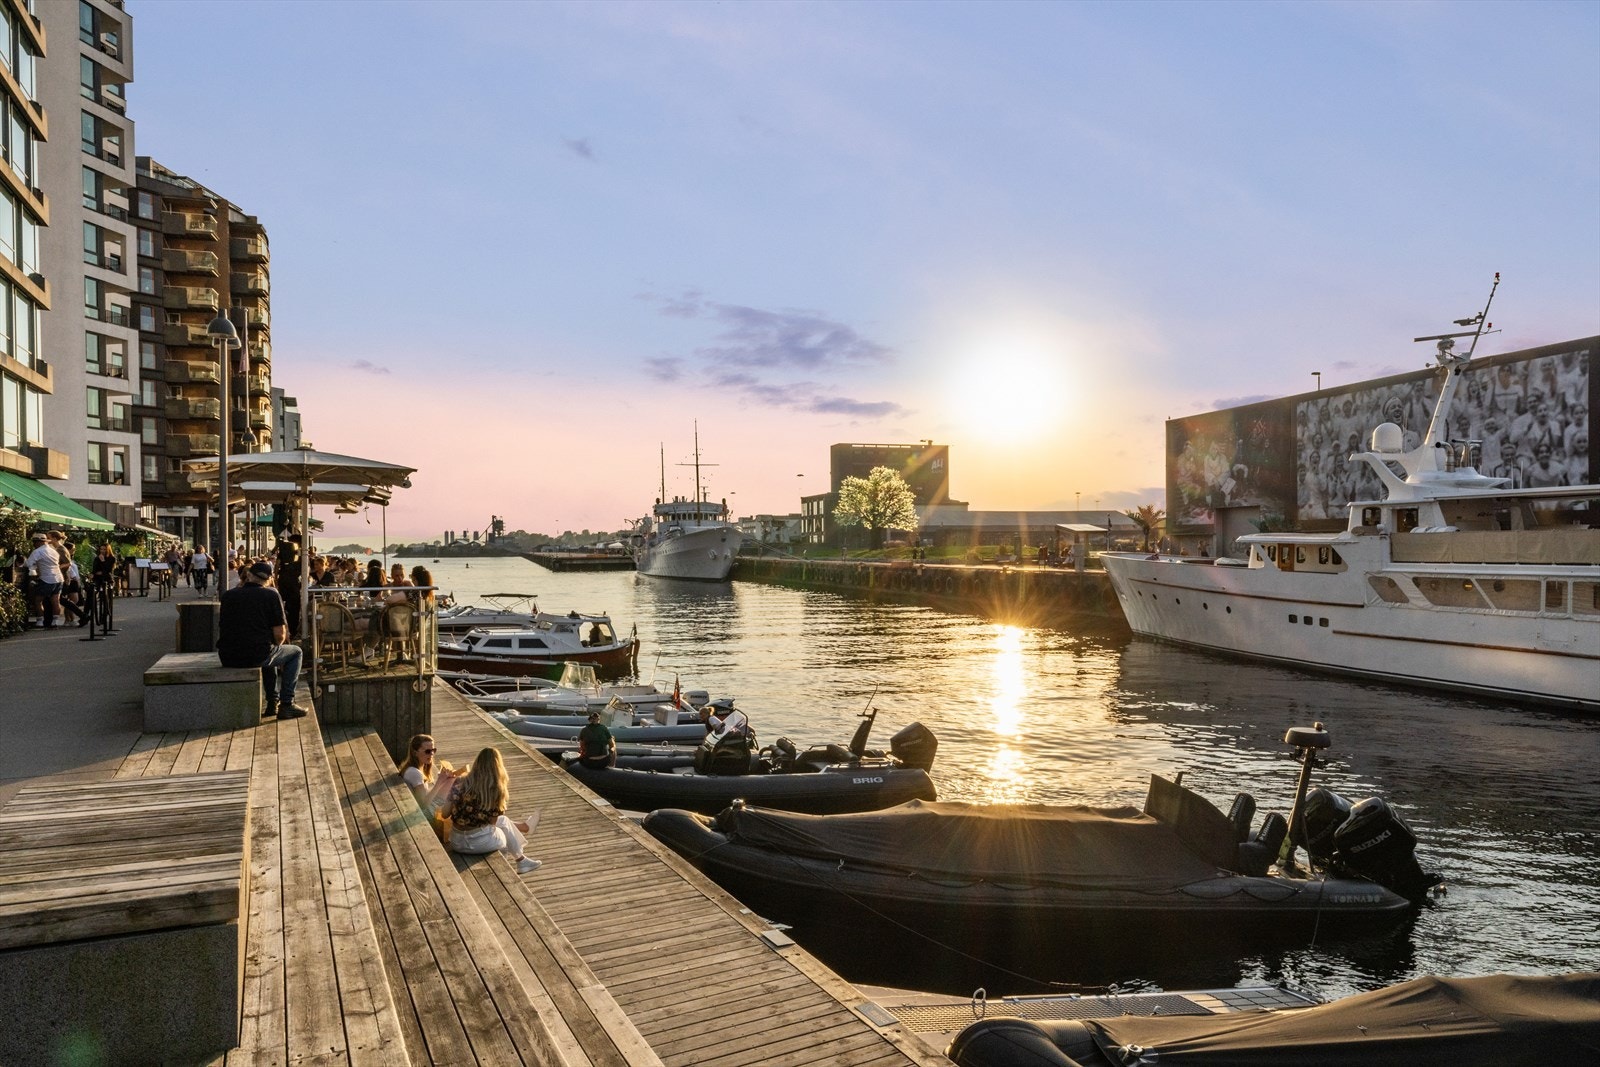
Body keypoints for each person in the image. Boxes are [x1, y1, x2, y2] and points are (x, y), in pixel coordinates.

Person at [217, 561, 308, 719]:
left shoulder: (228, 595)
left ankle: (273, 703)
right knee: (294, 652)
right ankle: (287, 703)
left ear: (249, 575)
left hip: (227, 656)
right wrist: (275, 646)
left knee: (268, 650)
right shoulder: (270, 595)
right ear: (269, 579)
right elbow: (280, 634)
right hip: (255, 655)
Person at [439, 747, 541, 873]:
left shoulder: (459, 781)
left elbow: (444, 814)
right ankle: (514, 865)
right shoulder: (496, 789)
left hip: (456, 841)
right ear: (498, 766)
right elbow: (492, 824)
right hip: (479, 843)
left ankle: (522, 858)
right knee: (503, 835)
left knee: (503, 821)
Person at [25, 532, 62, 628]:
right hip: (58, 577)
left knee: (38, 600)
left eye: (34, 542)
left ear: (39, 542)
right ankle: (55, 621)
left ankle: (40, 621)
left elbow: (28, 564)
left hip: (46, 578)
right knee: (55, 600)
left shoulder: (37, 552)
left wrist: (35, 568)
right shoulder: (54, 551)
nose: (33, 544)